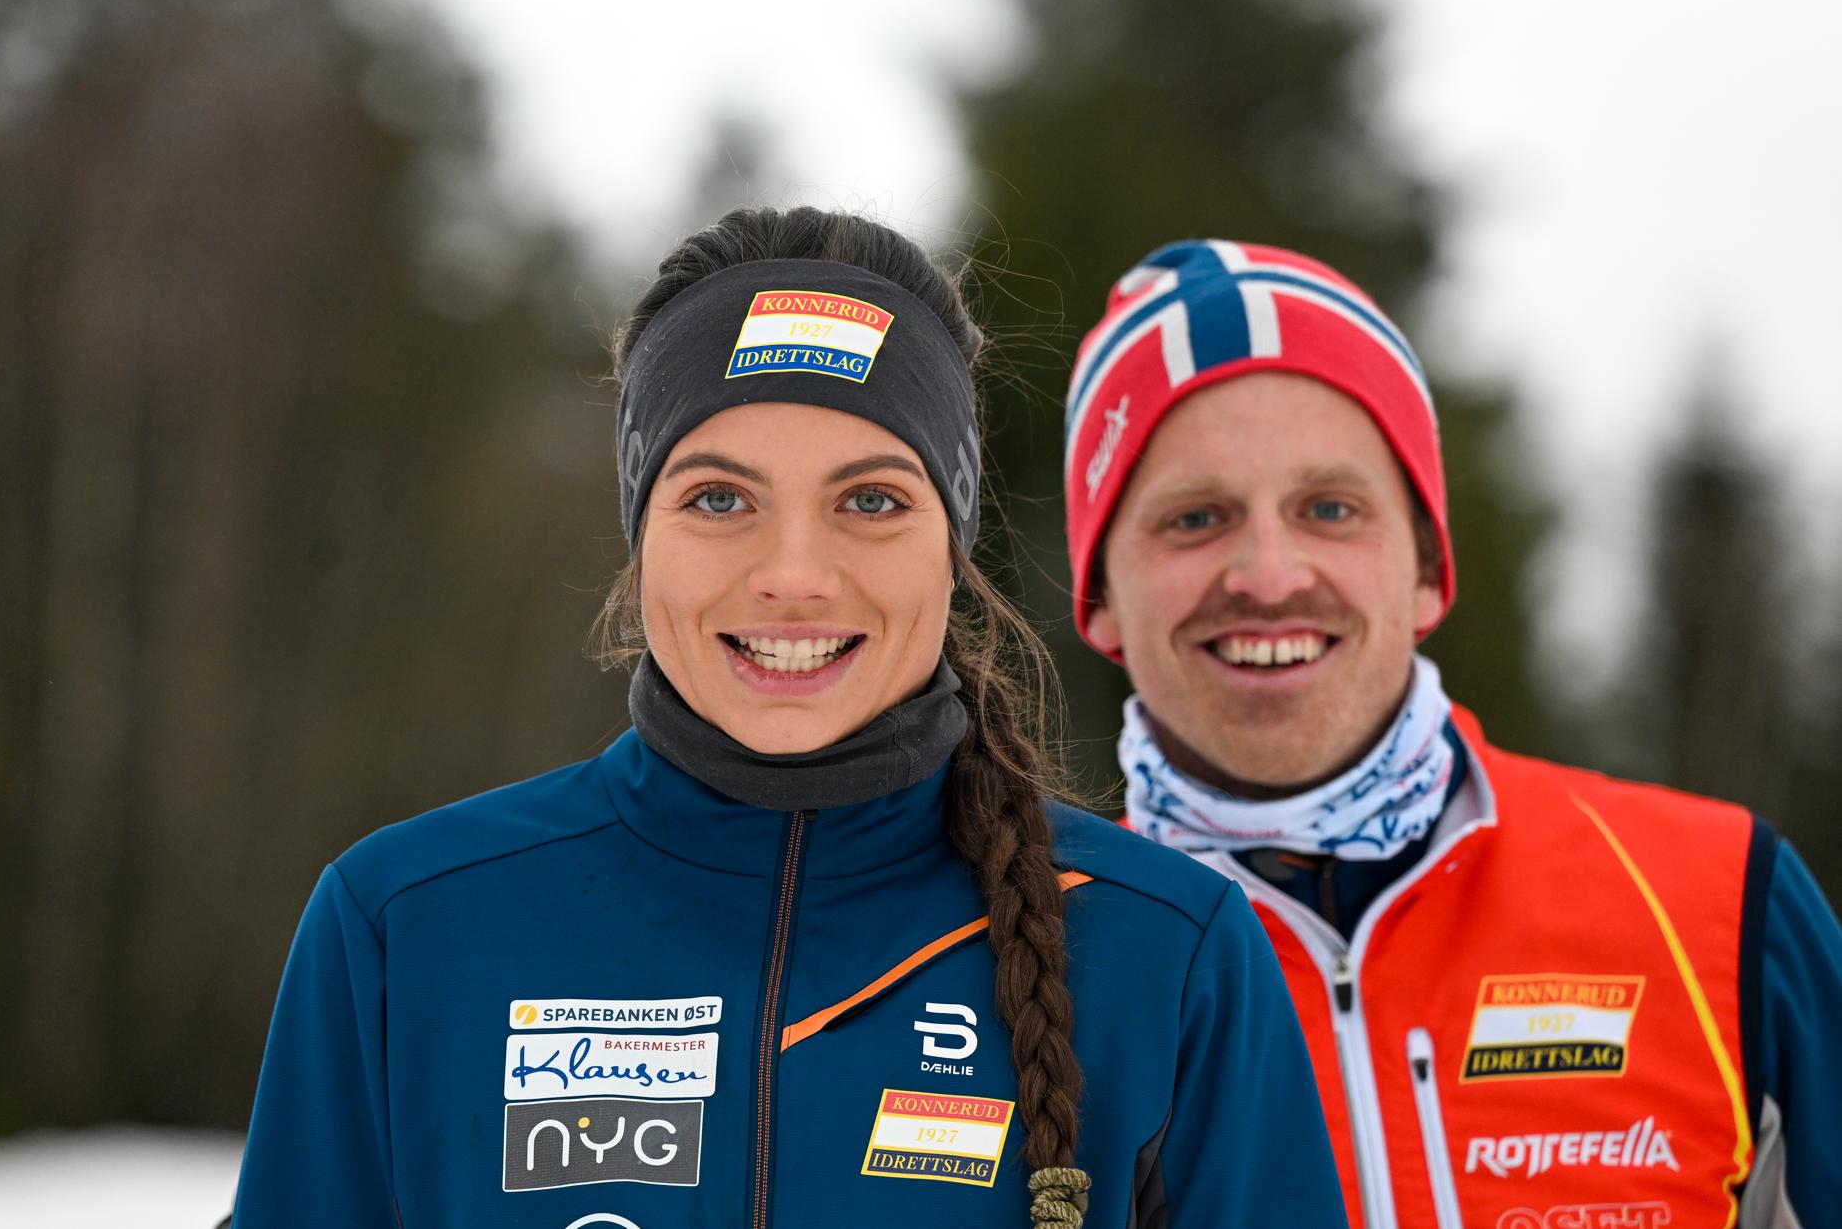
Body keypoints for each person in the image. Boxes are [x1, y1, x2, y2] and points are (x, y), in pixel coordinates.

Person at [227, 209, 1347, 1228]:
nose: (794, 575)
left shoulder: (1170, 952)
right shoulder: (406, 924)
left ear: (949, 550)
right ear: (639, 536)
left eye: (870, 501)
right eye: (720, 499)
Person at [1060, 238, 1842, 1229]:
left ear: (1427, 566)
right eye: (1195, 518)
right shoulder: (1019, 968)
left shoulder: (1721, 901)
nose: (1266, 572)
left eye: (1328, 507)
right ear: (1100, 601)